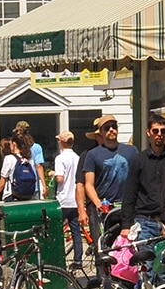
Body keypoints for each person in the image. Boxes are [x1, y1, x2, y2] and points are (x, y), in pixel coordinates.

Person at [79, 115, 136, 248]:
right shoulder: (92, 154)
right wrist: (98, 203)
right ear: (101, 132)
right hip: (103, 209)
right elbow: (88, 184)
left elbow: (138, 178)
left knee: (128, 249)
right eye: (107, 128)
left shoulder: (131, 151)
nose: (111, 130)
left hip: (126, 207)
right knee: (103, 250)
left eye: (114, 126)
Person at [120, 116, 165, 244]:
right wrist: (125, 225)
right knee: (146, 262)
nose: (159, 135)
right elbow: (130, 193)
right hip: (144, 221)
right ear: (148, 133)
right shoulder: (138, 160)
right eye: (155, 131)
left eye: (163, 131)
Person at [54, 130, 84, 269]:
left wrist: (53, 174)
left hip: (63, 198)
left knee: (58, 230)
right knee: (75, 230)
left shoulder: (60, 159)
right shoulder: (77, 157)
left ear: (62, 142)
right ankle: (78, 259)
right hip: (75, 198)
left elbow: (60, 179)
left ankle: (58, 257)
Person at [0, 135, 45, 204]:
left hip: (11, 195)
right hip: (27, 196)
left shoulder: (9, 158)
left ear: (14, 144)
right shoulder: (29, 159)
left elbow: (2, 182)